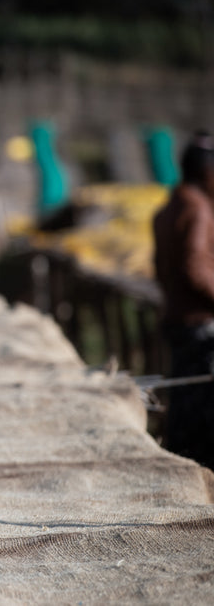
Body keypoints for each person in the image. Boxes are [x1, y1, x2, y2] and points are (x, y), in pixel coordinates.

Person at [152, 130, 214, 468]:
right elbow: (194, 267)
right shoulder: (199, 210)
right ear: (207, 172)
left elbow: (160, 269)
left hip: (174, 319)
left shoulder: (167, 209)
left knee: (184, 409)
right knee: (203, 414)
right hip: (199, 325)